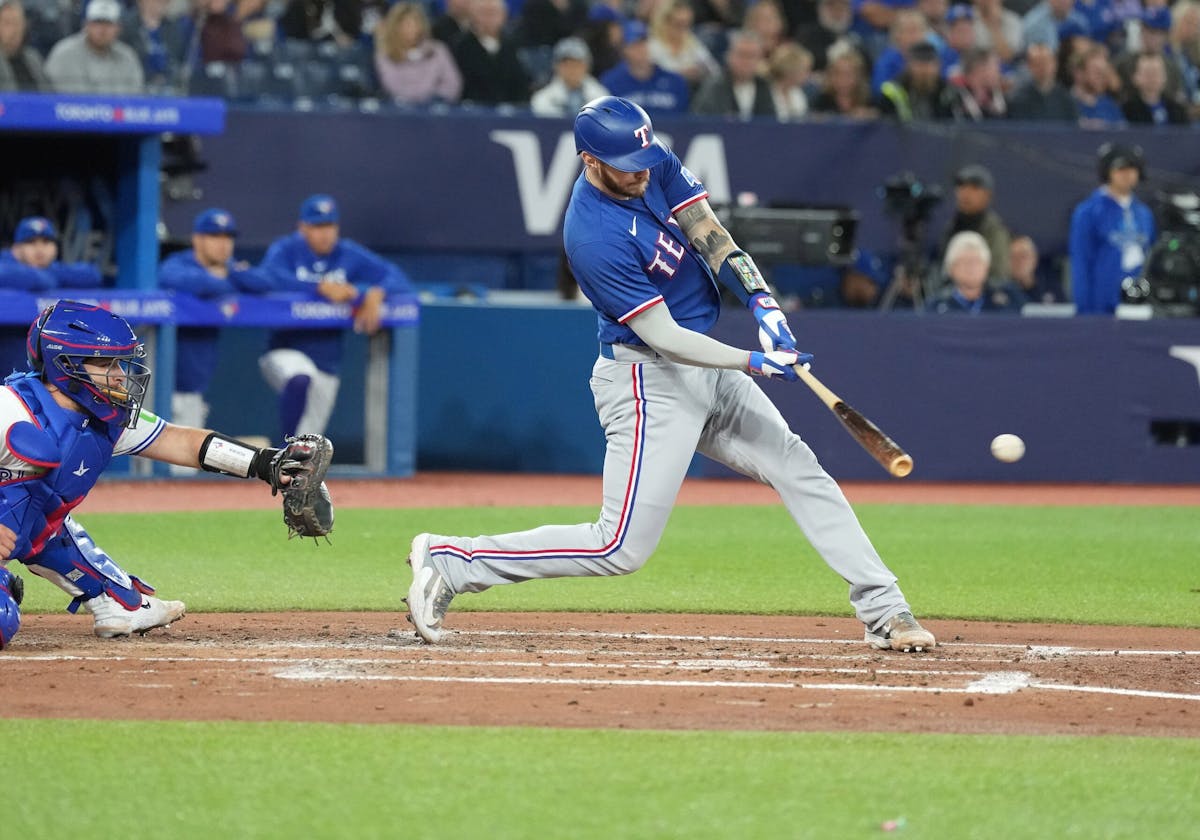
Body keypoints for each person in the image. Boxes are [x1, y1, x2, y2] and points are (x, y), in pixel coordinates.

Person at [404, 96, 937, 655]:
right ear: (590, 162)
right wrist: (754, 360)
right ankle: (452, 559)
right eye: (625, 167)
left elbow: (709, 231)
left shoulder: (650, 160)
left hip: (706, 365)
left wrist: (763, 303)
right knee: (618, 547)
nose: (640, 174)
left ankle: (885, 607)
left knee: (798, 466)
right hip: (649, 381)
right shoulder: (591, 237)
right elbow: (665, 338)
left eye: (643, 160)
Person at [0, 300, 330, 646]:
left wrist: (267, 463)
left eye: (119, 363)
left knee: (43, 511)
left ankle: (115, 601)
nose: (119, 375)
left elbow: (180, 442)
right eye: (104, 363)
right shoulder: (11, 408)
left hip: (30, 529)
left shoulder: (103, 417)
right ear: (64, 366)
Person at [258, 194, 413, 438]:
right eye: (318, 226)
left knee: (307, 443)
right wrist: (318, 287)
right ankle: (281, 456)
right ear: (303, 227)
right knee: (299, 378)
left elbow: (397, 277)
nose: (325, 233)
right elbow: (267, 277)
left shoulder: (347, 253)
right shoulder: (287, 249)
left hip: (328, 363)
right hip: (284, 351)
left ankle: (287, 465)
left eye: (329, 226)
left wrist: (376, 292)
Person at [157, 208, 272, 431]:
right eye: (215, 236)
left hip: (193, 389)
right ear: (197, 239)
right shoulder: (178, 263)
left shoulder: (229, 268)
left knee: (185, 462)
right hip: (159, 386)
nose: (223, 244)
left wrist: (231, 273)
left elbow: (264, 283)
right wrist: (220, 280)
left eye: (227, 237)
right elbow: (170, 278)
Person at [1069, 142, 1156, 314]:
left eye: (1132, 168)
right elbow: (1080, 262)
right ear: (1108, 171)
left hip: (1138, 303)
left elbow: (1149, 255)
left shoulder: (1144, 214)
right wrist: (1085, 309)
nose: (1127, 174)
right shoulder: (1088, 212)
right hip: (1101, 303)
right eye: (1120, 168)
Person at [44, 0, 145, 95]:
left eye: (109, 24)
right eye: (97, 23)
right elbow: (53, 97)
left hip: (117, 112)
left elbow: (135, 97)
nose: (103, 30)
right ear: (86, 25)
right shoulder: (64, 53)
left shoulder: (127, 56)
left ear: (118, 28)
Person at [373, 1, 462, 105]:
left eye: (415, 23)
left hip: (435, 109)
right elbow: (392, 86)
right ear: (395, 27)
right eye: (406, 24)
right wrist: (422, 97)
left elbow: (453, 83)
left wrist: (436, 98)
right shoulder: (385, 54)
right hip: (399, 111)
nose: (411, 29)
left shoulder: (438, 50)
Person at [938, 164, 1011, 287]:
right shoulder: (951, 227)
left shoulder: (995, 230)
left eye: (974, 188)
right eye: (961, 187)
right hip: (951, 298)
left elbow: (999, 275)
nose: (966, 194)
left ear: (987, 195)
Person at [599, 19, 691, 114]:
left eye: (644, 43)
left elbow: (686, 119)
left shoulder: (675, 81)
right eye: (634, 45)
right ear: (623, 49)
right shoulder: (611, 82)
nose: (641, 49)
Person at [451, 0, 531, 106]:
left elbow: (521, 82)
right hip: (473, 110)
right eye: (484, 13)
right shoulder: (460, 46)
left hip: (509, 110)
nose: (489, 18)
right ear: (472, 16)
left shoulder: (512, 45)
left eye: (494, 13)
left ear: (504, 16)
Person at [925, 231, 1023, 313]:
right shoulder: (936, 306)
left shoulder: (1008, 297)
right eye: (964, 262)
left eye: (976, 261)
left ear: (987, 267)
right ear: (950, 269)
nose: (970, 267)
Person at [690, 28, 777, 117]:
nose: (746, 61)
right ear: (729, 56)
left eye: (752, 56)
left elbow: (771, 122)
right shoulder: (714, 86)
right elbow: (702, 121)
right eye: (742, 55)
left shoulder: (764, 87)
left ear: (760, 59)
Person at [119, 0, 188, 92]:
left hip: (169, 88)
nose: (162, 3)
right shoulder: (127, 27)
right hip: (136, 86)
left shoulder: (174, 28)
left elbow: (178, 59)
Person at [877, 39, 956, 119]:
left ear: (938, 66)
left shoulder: (948, 92)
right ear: (908, 66)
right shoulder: (893, 91)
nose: (924, 71)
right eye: (919, 65)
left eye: (929, 65)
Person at [530, 35, 608, 116]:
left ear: (586, 66)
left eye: (577, 64)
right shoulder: (543, 98)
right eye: (566, 65)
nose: (572, 70)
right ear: (556, 66)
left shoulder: (601, 97)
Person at [1008, 40, 1079, 119]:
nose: (1043, 68)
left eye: (1046, 62)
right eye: (1038, 63)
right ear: (1029, 66)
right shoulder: (1018, 99)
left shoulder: (1066, 100)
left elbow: (1074, 128)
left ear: (1055, 63)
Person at [1121, 50, 1192, 123]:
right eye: (1147, 73)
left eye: (1156, 72)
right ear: (1135, 77)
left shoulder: (1178, 110)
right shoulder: (1126, 110)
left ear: (1165, 76)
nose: (1152, 78)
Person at [0, 0, 54, 91]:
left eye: (18, 23)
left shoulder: (33, 59)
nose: (15, 30)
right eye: (8, 23)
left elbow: (49, 96)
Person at [1008, 234, 1065, 302]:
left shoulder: (1052, 289)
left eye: (1023, 256)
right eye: (1014, 257)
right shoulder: (1001, 292)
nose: (1019, 262)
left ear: (1034, 259)